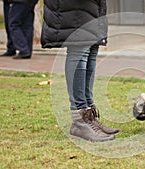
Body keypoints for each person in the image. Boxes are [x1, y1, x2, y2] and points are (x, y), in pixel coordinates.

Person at [41, 0, 119, 142]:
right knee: (80, 51)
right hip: (74, 7)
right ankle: (79, 119)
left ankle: (89, 116)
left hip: (92, 6)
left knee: (91, 52)